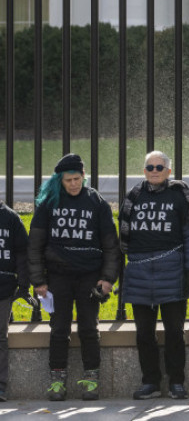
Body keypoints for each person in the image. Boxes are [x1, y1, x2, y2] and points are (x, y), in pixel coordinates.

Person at [28, 153, 119, 401]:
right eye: (68, 180)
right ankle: (57, 380)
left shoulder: (96, 202)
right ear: (60, 180)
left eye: (77, 179)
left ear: (84, 176)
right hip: (58, 276)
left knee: (89, 328)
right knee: (59, 329)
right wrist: (39, 281)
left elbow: (111, 244)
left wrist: (108, 278)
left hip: (90, 276)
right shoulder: (49, 203)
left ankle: (91, 379)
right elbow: (35, 244)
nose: (74, 184)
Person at [120, 150, 189, 401]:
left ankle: (177, 381)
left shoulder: (180, 195)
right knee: (144, 333)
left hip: (172, 271)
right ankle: (150, 382)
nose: (155, 171)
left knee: (175, 331)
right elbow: (123, 237)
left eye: (160, 167)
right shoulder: (133, 196)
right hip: (140, 272)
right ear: (144, 171)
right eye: (150, 167)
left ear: (168, 171)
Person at [0, 189, 30, 402]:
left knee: (0, 336)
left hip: (3, 287)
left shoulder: (10, 217)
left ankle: (0, 385)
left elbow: (23, 253)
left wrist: (23, 284)